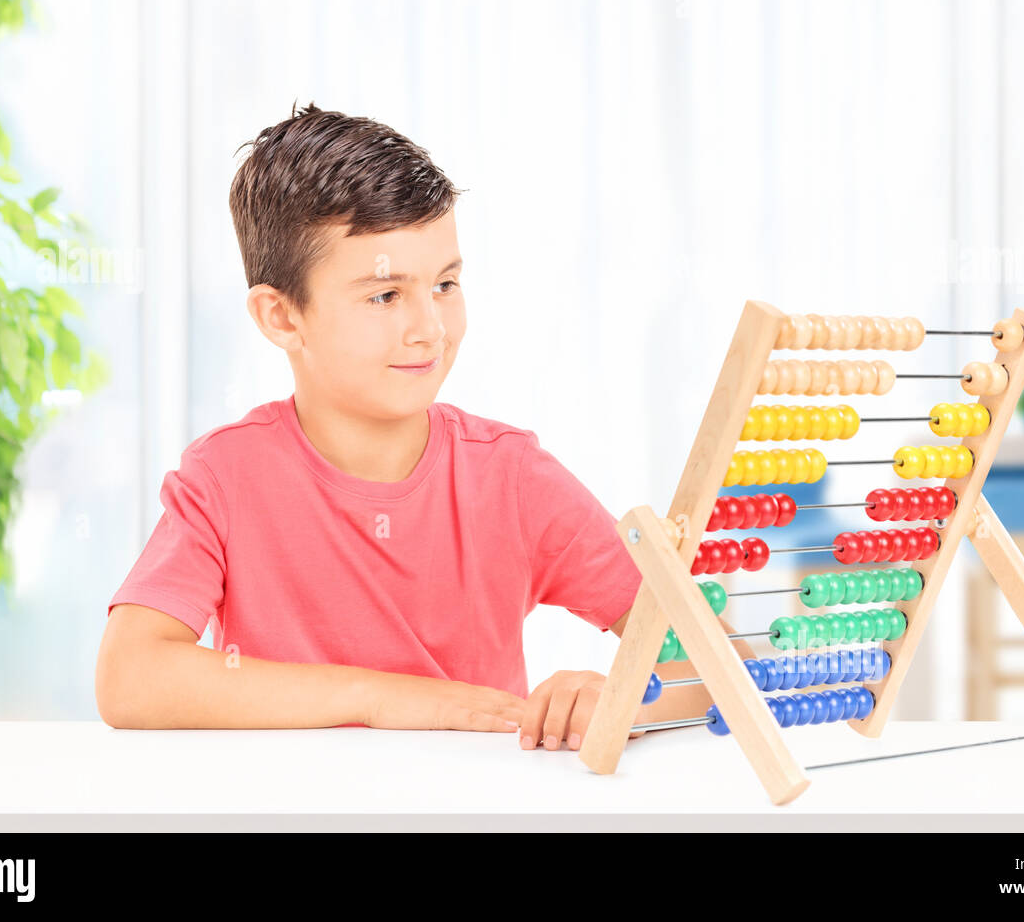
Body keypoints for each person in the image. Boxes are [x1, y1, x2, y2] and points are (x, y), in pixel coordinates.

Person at [95, 103, 729, 751]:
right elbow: (131, 676)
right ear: (282, 318)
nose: (429, 328)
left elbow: (711, 656)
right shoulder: (226, 477)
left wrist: (623, 699)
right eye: (385, 295)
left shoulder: (510, 477)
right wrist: (379, 698)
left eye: (446, 284)